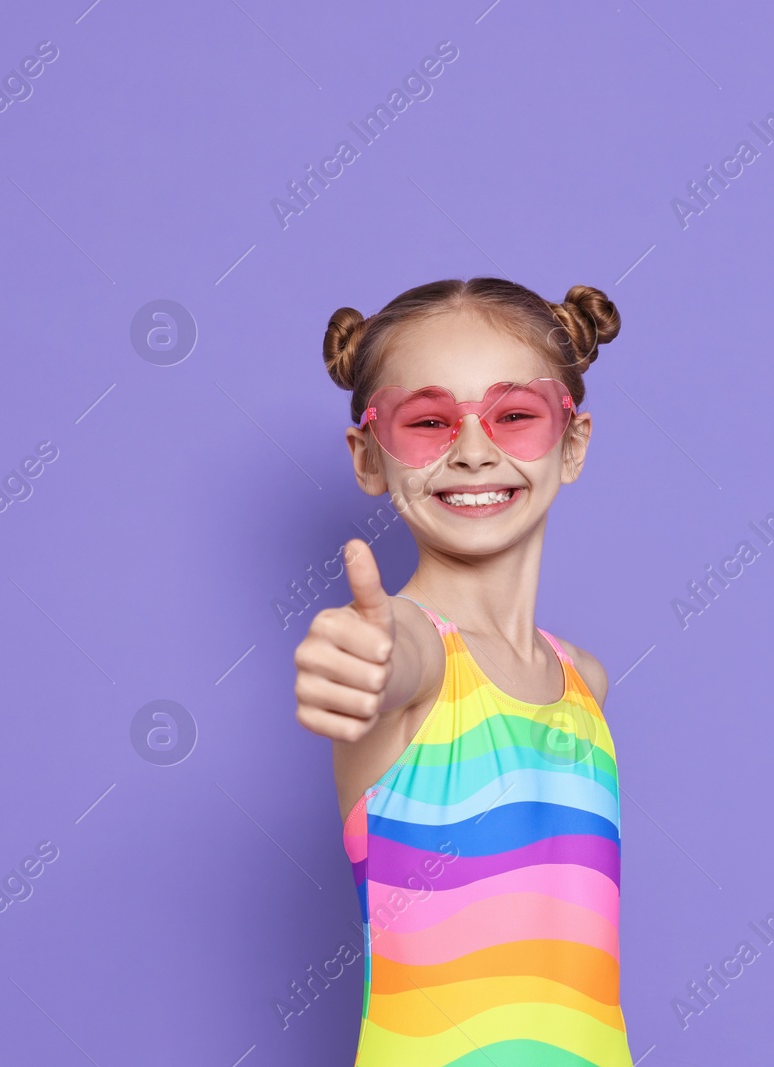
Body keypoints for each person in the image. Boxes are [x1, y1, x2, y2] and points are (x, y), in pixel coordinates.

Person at [292, 277, 633, 1066]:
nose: (474, 449)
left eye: (515, 415)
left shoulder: (586, 679)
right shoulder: (410, 648)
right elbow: (390, 659)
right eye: (428, 422)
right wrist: (361, 659)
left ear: (572, 443)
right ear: (369, 456)